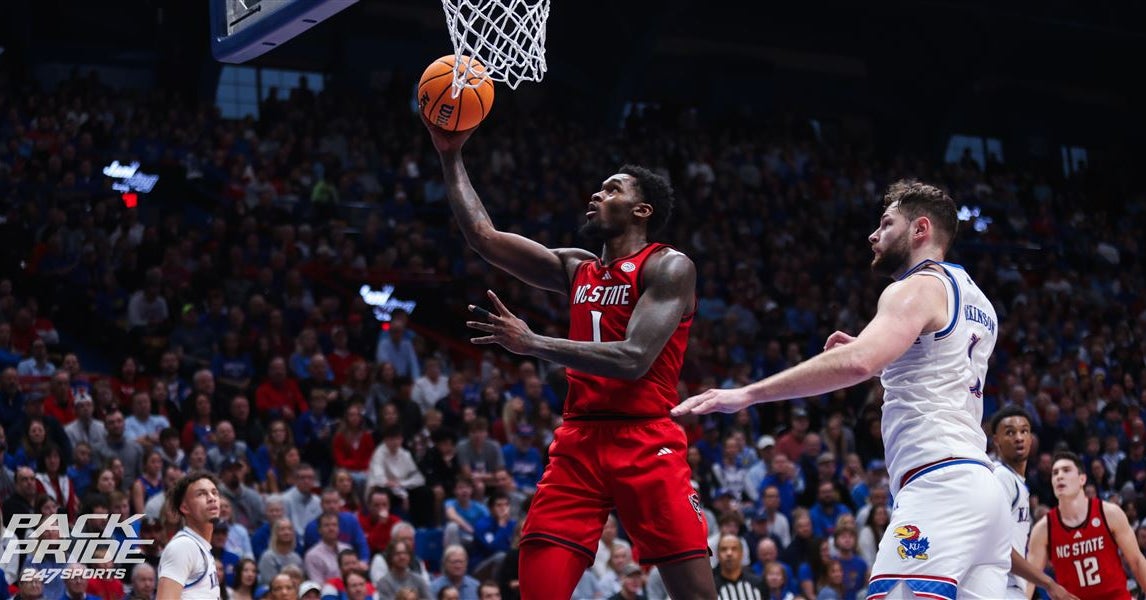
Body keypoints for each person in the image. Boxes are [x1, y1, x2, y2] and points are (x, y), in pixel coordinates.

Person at [673, 180, 1074, 600]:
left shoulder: (916, 287)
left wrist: (747, 394)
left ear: (920, 229)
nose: (873, 235)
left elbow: (858, 361)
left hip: (940, 485)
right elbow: (932, 371)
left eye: (886, 223)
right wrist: (885, 363)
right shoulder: (978, 301)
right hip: (982, 493)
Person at [426, 117, 712, 599]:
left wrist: (533, 342)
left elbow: (633, 358)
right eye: (598, 190)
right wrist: (450, 155)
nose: (597, 196)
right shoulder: (575, 267)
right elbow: (484, 238)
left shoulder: (669, 266)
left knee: (698, 596)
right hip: (579, 439)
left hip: (645, 438)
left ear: (641, 209)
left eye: (612, 189)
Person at [1027, 451, 1146, 599]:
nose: (1059, 476)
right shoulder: (1043, 529)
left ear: (1082, 479)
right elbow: (1029, 581)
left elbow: (1136, 561)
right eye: (1055, 473)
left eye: (1066, 470)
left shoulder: (1109, 513)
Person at [990, 405, 1035, 599]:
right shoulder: (1001, 477)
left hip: (1011, 586)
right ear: (996, 440)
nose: (1019, 437)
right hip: (1001, 586)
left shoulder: (1016, 481)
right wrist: (1049, 583)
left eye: (1024, 431)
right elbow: (997, 545)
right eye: (1010, 432)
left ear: (1031, 438)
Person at [157, 472, 223, 599]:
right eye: (201, 494)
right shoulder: (183, 546)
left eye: (214, 492)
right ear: (185, 508)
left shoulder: (200, 547)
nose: (211, 498)